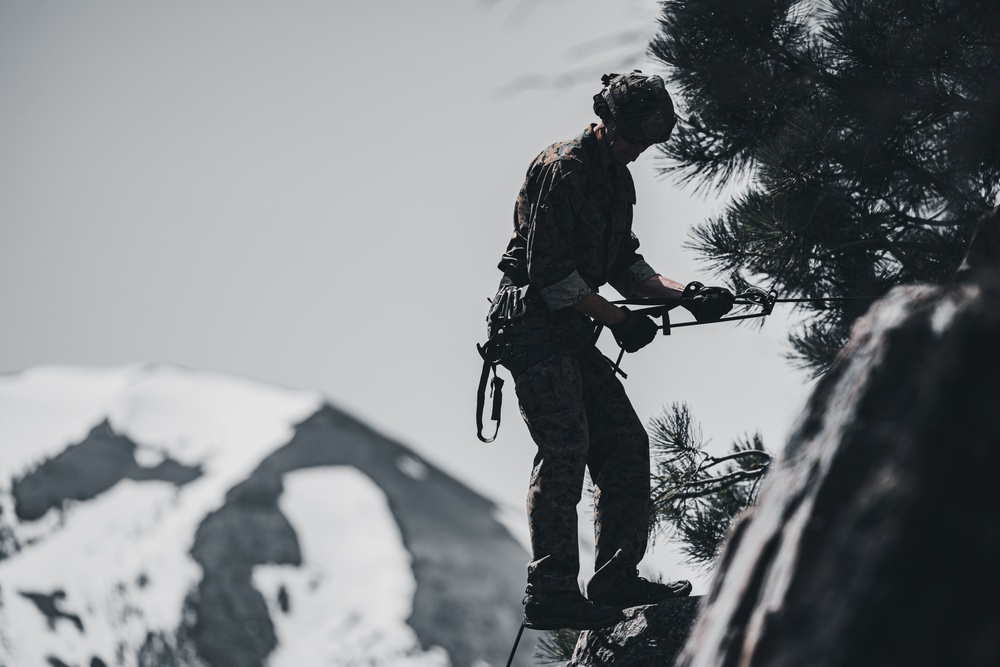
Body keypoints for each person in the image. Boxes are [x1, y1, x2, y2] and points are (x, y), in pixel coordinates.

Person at [484, 70, 735, 631]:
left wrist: (687, 295)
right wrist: (618, 320)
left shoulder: (619, 181)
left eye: (647, 143)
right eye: (632, 138)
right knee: (566, 448)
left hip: (574, 337)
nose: (637, 151)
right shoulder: (563, 168)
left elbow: (626, 265)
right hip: (534, 336)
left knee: (624, 445)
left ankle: (616, 578)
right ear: (607, 123)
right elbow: (550, 276)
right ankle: (550, 591)